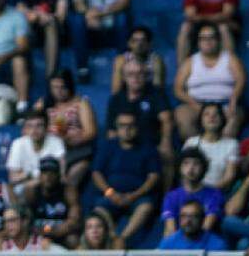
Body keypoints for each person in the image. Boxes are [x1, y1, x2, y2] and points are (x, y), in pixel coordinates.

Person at [104, 56, 174, 187]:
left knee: (167, 154)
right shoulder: (116, 99)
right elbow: (111, 131)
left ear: (147, 76)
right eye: (131, 74)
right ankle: (113, 195)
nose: (135, 78)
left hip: (150, 144)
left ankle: (165, 199)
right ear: (124, 77)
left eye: (140, 74)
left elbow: (167, 119)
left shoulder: (156, 93)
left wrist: (165, 142)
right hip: (125, 144)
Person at [91, 110, 160, 241]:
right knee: (99, 210)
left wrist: (134, 195)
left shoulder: (148, 147)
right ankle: (112, 237)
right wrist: (111, 193)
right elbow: (96, 173)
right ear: (116, 128)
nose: (127, 129)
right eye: (122, 126)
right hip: (111, 196)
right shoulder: (107, 146)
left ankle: (122, 238)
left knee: (146, 207)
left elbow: (153, 177)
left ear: (137, 127)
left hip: (138, 196)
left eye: (131, 125)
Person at [175, 27, 246, 141]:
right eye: (203, 38)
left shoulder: (230, 59)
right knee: (182, 116)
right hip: (197, 104)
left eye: (211, 37)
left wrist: (234, 99)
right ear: (198, 42)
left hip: (225, 103)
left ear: (218, 40)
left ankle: (221, 149)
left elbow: (241, 80)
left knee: (234, 117)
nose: (207, 41)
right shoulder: (190, 62)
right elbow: (178, 89)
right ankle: (196, 150)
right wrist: (194, 104)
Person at [69, 0, 130, 82]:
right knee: (77, 19)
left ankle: (124, 65)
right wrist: (88, 14)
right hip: (92, 34)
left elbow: (124, 2)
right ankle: (82, 68)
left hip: (115, 30)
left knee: (122, 17)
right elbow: (79, 4)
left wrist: (100, 13)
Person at [43, 69, 98, 191]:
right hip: (51, 152)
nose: (58, 91)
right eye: (54, 87)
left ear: (69, 86)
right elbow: (34, 124)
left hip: (76, 151)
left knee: (70, 180)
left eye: (62, 87)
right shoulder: (46, 105)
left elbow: (91, 132)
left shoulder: (81, 103)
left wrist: (70, 141)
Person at [17, 0, 66, 78]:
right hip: (33, 28)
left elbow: (61, 16)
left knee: (51, 24)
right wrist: (38, 15)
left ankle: (51, 74)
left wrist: (45, 17)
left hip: (54, 29)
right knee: (24, 23)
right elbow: (20, 10)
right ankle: (26, 74)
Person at [161, 147, 224, 235]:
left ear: (203, 168)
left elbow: (207, 226)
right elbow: (170, 229)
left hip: (204, 243)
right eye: (186, 163)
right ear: (179, 168)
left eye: (196, 164)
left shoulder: (214, 194)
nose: (191, 168)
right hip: (178, 243)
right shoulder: (171, 196)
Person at [24, 158, 82, 247]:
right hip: (38, 233)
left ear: (59, 175)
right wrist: (39, 232)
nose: (48, 176)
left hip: (61, 233)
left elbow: (74, 221)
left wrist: (52, 232)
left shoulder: (68, 191)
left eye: (52, 172)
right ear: (39, 175)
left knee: (73, 239)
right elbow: (25, 219)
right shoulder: (32, 191)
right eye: (45, 172)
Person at [183, 103, 241, 191]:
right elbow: (183, 172)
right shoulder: (191, 142)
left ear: (222, 119)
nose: (212, 117)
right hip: (191, 190)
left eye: (216, 114)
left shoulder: (231, 144)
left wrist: (208, 192)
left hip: (218, 192)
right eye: (207, 114)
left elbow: (229, 176)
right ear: (201, 119)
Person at [6, 109, 66, 193]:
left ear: (46, 127)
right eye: (30, 126)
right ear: (25, 129)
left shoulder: (56, 142)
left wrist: (29, 177)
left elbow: (61, 174)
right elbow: (12, 178)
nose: (34, 130)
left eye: (39, 125)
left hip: (52, 187)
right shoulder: (18, 144)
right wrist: (31, 175)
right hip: (26, 188)